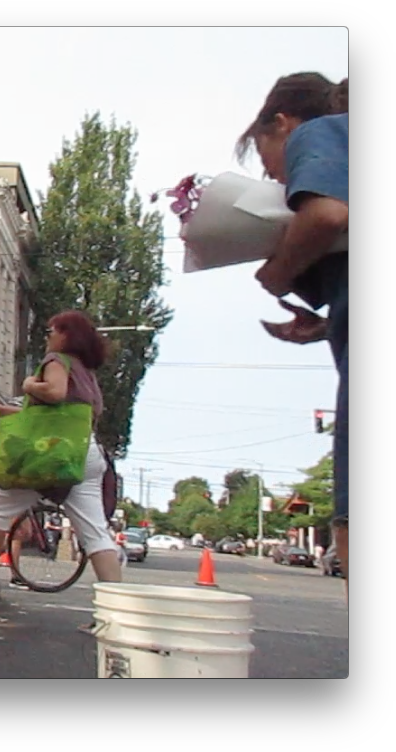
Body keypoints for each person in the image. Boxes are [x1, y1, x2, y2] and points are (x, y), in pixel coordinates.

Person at [237, 73, 347, 592]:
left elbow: (325, 215)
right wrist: (327, 325)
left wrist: (278, 271)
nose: (278, 181)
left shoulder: (321, 131)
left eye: (266, 160)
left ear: (281, 124)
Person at [0, 310, 123, 604]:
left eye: (52, 330)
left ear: (66, 335)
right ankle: (118, 609)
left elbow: (55, 393)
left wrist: (27, 385)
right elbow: (55, 415)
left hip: (49, 453)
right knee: (95, 534)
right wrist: (5, 411)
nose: (48, 335)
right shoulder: (86, 373)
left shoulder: (56, 361)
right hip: (84, 453)